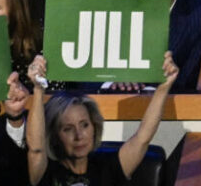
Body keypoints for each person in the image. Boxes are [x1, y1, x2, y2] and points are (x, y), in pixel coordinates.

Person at [25, 52, 179, 185]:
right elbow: (36, 149)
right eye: (68, 129)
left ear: (94, 127)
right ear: (55, 135)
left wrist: (163, 88)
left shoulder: (107, 168)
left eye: (84, 125)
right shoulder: (47, 171)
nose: (79, 136)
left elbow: (142, 138)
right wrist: (38, 90)